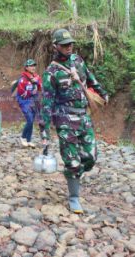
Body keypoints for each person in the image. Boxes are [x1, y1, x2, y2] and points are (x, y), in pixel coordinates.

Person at [41, 29, 109, 214]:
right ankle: (74, 197)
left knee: (91, 157)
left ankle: (75, 174)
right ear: (55, 46)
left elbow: (91, 80)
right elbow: (46, 103)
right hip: (64, 121)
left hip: (83, 117)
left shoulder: (78, 61)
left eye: (70, 44)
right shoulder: (51, 72)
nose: (68, 47)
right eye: (64, 45)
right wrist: (45, 129)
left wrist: (102, 93)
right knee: (72, 162)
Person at [16, 59, 43, 148]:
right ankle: (23, 137)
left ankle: (28, 140)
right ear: (26, 67)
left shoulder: (37, 77)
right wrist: (31, 91)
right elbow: (21, 92)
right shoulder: (22, 79)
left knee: (32, 120)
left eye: (34, 65)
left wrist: (37, 84)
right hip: (24, 101)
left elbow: (40, 88)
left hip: (33, 100)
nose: (33, 67)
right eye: (31, 66)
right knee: (30, 120)